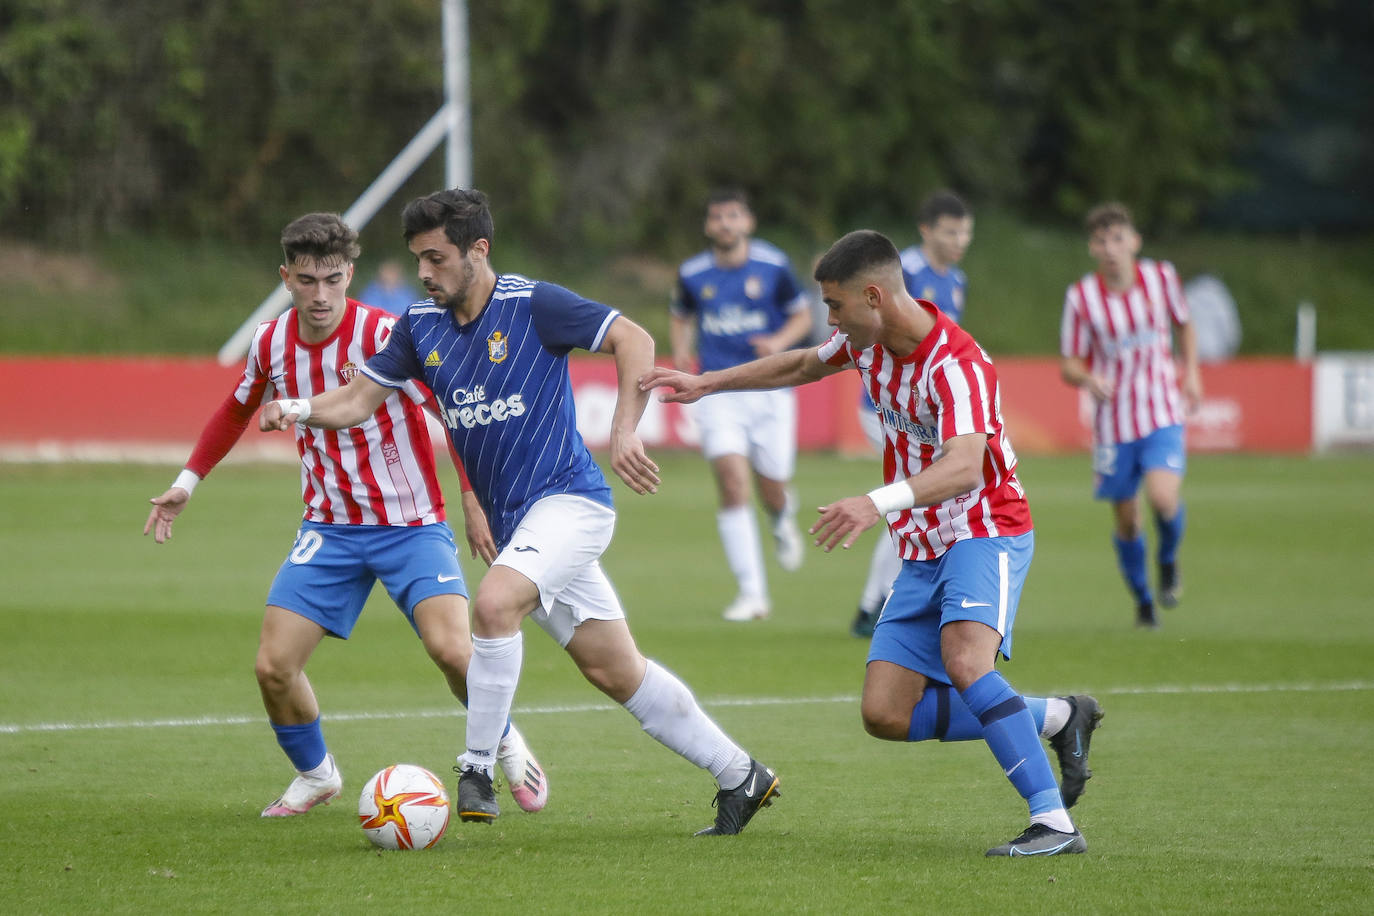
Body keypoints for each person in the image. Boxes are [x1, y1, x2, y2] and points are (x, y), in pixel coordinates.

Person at [259, 189, 780, 836]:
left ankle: (477, 766)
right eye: (418, 259)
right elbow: (360, 398)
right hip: (522, 529)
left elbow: (634, 339)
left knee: (494, 604)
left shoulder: (533, 304)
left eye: (437, 258)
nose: (424, 272)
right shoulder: (420, 324)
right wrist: (301, 408)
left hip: (570, 504)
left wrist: (624, 429)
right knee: (615, 670)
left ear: (478, 251)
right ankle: (741, 775)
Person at [643, 229, 1102, 857]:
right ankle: (1055, 716)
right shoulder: (870, 343)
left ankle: (1054, 824)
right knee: (886, 713)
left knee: (969, 663)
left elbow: (966, 468)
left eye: (835, 305)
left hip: (984, 529)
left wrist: (874, 502)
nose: (829, 318)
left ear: (874, 296)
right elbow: (805, 362)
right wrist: (710, 382)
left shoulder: (957, 365)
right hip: (922, 544)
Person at [144, 212, 548, 818]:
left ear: (350, 274)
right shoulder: (270, 343)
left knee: (453, 652)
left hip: (411, 523)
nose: (321, 294)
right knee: (273, 667)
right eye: (307, 280)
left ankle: (508, 742)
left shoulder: (389, 334)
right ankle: (317, 775)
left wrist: (472, 498)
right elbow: (233, 412)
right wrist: (186, 482)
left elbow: (453, 413)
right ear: (286, 277)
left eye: (333, 279)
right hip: (328, 527)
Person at [670, 189, 812, 622]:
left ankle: (781, 515)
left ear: (748, 222)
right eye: (717, 217)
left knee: (773, 484)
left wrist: (780, 343)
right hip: (717, 392)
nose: (724, 224)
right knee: (733, 483)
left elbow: (803, 315)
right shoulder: (693, 273)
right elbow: (681, 314)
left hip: (770, 390)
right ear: (708, 226)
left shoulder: (773, 266)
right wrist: (681, 352)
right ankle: (752, 594)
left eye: (733, 216)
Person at [1059, 202, 1202, 629]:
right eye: (1102, 240)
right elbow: (1069, 363)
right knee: (1127, 519)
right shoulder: (1081, 297)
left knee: (1162, 497)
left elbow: (1184, 324)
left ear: (1134, 241)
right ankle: (1143, 602)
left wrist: (1191, 372)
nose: (1111, 248)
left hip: (1161, 411)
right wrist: (1087, 378)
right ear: (1092, 247)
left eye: (1118, 238)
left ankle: (1169, 558)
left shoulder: (1161, 278)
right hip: (1113, 426)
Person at [852, 190, 974, 638]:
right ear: (927, 231)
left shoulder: (955, 279)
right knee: (914, 499)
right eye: (950, 230)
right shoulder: (905, 274)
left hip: (925, 414)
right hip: (886, 412)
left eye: (965, 231)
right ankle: (876, 603)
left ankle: (880, 602)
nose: (959, 239)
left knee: (917, 499)